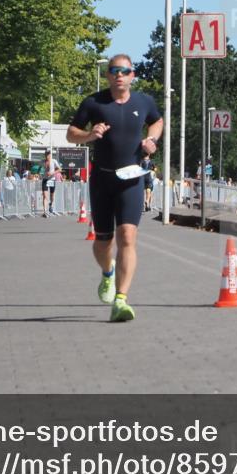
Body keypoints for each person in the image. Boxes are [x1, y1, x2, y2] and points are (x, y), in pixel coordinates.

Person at [67, 53, 163, 322]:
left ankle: (121, 299)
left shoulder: (144, 102)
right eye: (114, 70)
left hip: (131, 179)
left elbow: (157, 120)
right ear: (108, 75)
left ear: (132, 75)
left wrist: (151, 139)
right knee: (103, 241)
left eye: (124, 70)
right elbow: (70, 132)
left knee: (128, 237)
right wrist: (89, 135)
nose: (119, 75)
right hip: (102, 179)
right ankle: (107, 273)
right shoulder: (94, 103)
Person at [41, 150, 61, 217]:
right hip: (45, 180)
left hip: (51, 180)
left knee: (52, 196)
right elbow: (40, 168)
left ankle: (51, 204)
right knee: (45, 196)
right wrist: (38, 173)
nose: (47, 156)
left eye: (48, 155)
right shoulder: (43, 161)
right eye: (46, 155)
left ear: (50, 155)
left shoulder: (54, 161)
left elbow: (59, 169)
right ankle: (45, 212)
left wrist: (52, 173)